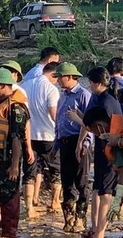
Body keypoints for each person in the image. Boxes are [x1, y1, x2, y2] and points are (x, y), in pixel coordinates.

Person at [66, 67, 122, 238]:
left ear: (98, 83)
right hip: (101, 148)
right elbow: (93, 124)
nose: (89, 85)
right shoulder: (98, 98)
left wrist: (77, 120)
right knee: (97, 188)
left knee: (106, 191)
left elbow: (100, 130)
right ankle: (95, 227)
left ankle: (100, 231)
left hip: (111, 151)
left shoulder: (107, 103)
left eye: (90, 82)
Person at [0, 60, 34, 222]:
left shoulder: (15, 108)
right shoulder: (0, 103)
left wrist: (15, 166)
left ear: (3, 85)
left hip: (7, 159)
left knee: (10, 196)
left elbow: (17, 138)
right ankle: (3, 223)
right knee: (1, 194)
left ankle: (10, 230)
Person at [50, 62, 92, 233]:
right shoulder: (63, 96)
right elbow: (59, 123)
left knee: (81, 181)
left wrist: (84, 144)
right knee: (67, 182)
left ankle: (80, 219)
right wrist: (55, 145)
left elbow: (89, 124)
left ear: (69, 77)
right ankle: (68, 219)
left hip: (80, 143)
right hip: (65, 143)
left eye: (60, 77)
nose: (58, 80)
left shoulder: (84, 95)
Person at [20, 62, 61, 216]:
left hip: (29, 136)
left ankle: (29, 207)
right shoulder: (51, 89)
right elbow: (53, 113)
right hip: (48, 135)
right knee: (55, 171)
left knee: (29, 171)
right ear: (54, 75)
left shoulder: (25, 85)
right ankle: (55, 202)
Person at [84, 108, 123, 228]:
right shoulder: (111, 137)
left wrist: (119, 141)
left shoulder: (118, 132)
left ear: (99, 126)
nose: (97, 136)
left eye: (94, 132)